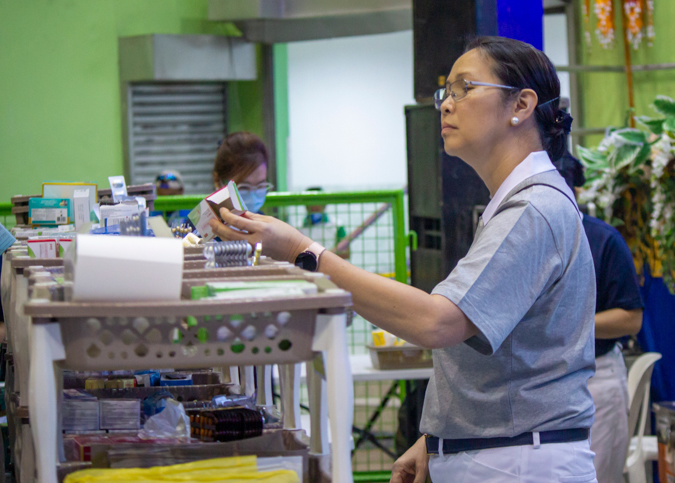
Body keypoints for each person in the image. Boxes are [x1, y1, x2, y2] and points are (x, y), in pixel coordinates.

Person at [210, 36, 598, 483]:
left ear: (521, 105)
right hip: (499, 452)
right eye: (445, 93)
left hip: (518, 462)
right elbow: (501, 363)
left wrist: (306, 253)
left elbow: (439, 323)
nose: (446, 106)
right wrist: (438, 439)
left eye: (464, 89)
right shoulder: (514, 205)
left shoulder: (532, 210)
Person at [555, 150, 644, 483]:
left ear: (574, 189)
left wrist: (567, 327)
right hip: (540, 382)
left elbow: (630, 318)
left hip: (596, 378)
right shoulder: (526, 236)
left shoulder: (604, 239)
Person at [213, 131, 273, 214]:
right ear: (219, 183)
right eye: (243, 187)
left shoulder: (264, 224)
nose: (253, 198)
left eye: (260, 186)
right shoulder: (199, 225)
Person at [298, 187, 349, 259]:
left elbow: (346, 253)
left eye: (317, 201)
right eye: (310, 201)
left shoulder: (337, 225)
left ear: (325, 204)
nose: (314, 205)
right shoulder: (298, 228)